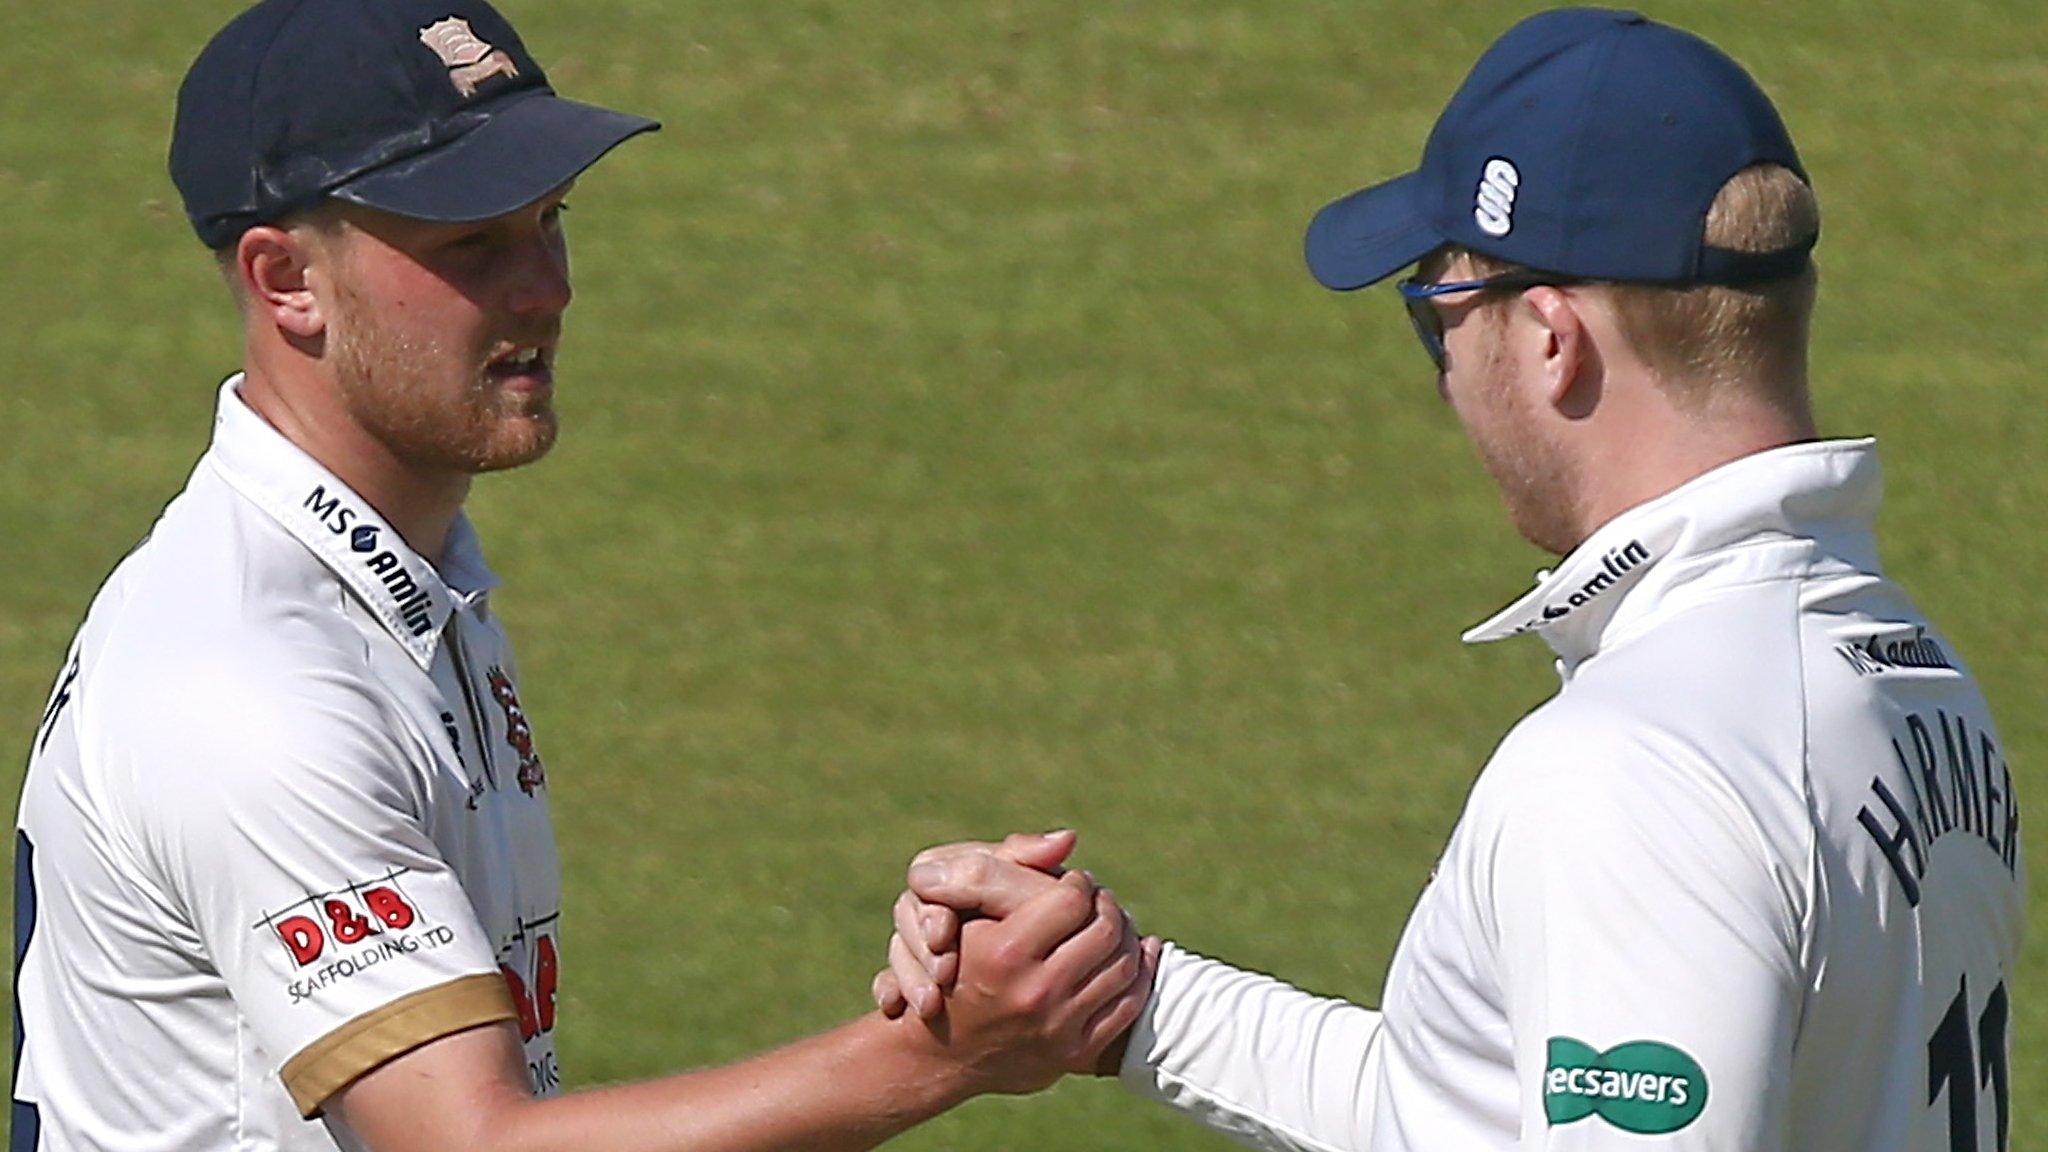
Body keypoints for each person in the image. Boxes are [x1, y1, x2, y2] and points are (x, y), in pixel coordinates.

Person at [10, 2, 1154, 1150]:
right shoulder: (249, 684)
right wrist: (933, 1056)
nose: (545, 289)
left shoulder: (398, 591)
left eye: (548, 220)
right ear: (286, 281)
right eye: (470, 246)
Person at [876, 9, 2024, 1150]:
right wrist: (1125, 1001)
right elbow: (1464, 1108)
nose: (1441, 384)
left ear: (1547, 338)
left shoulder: (1632, 773)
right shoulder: (1904, 678)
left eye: (1436, 316)